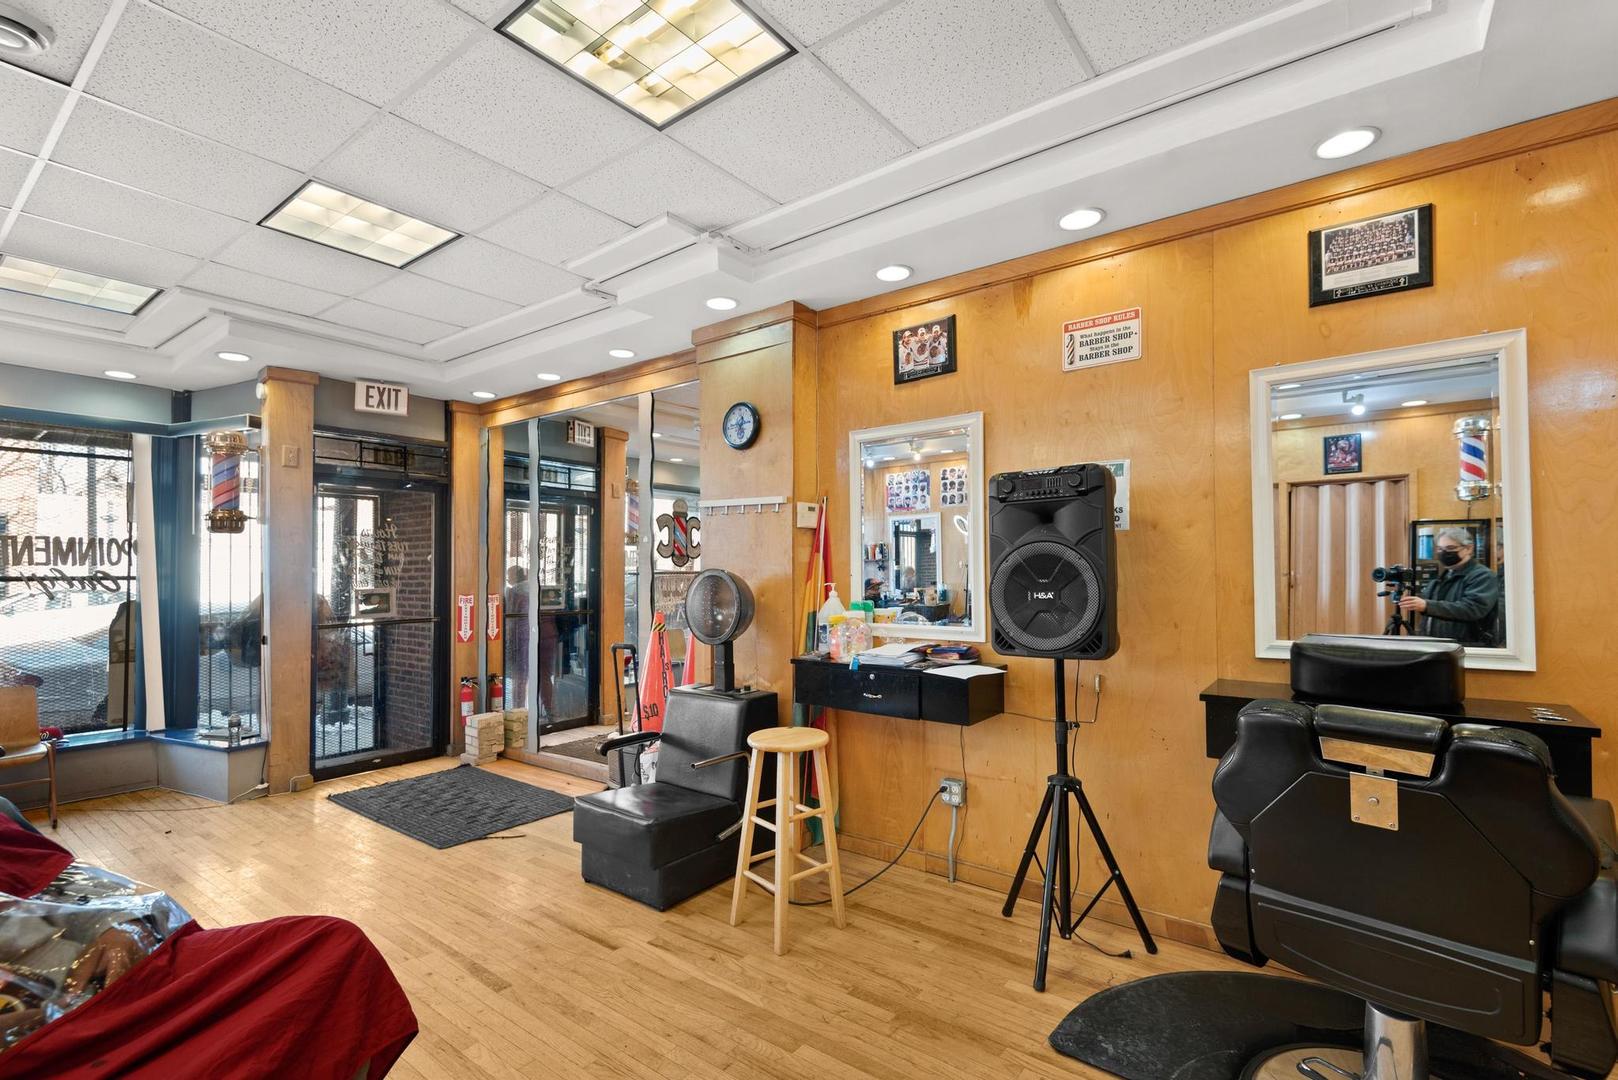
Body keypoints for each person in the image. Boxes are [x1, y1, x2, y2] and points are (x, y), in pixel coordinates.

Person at [1397, 527, 1501, 645]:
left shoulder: (1483, 576)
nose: (1444, 553)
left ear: (1468, 548)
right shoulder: (1443, 577)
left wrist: (1427, 605)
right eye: (1440, 549)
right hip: (1439, 645)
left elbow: (1472, 609)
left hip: (1467, 647)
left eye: (1450, 548)